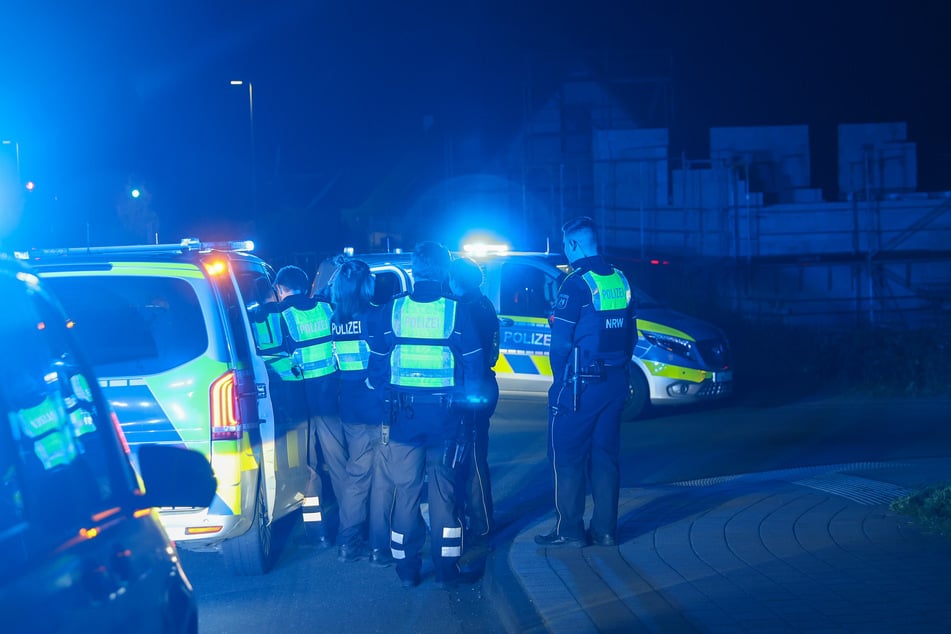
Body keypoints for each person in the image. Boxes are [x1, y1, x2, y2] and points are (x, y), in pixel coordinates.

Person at [369, 241, 484, 589]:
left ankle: (406, 571)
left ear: (414, 271)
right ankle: (448, 571)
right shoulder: (457, 311)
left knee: (405, 494)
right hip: (447, 419)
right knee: (444, 494)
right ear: (445, 271)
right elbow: (475, 365)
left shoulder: (392, 311)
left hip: (402, 420)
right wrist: (468, 404)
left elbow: (376, 372)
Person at [535, 216, 636, 548]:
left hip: (580, 385)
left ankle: (570, 531)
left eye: (566, 244)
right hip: (616, 382)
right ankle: (606, 531)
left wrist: (559, 385)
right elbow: (630, 337)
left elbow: (561, 344)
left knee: (566, 455)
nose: (565, 250)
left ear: (575, 244)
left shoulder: (576, 284)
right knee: (606, 457)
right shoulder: (620, 280)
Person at [324, 257, 391, 565]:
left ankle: (348, 542)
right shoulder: (375, 316)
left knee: (356, 473)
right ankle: (380, 547)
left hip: (349, 404)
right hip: (376, 404)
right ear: (366, 284)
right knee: (382, 475)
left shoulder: (335, 318)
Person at [273, 265, 339, 547]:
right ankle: (353, 527)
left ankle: (318, 532)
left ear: (280, 289)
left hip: (300, 400)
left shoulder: (280, 316)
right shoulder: (326, 308)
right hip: (331, 394)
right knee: (340, 461)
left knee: (309, 466)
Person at [448, 255, 499, 576]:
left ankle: (480, 525)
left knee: (473, 457)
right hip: (484, 384)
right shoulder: (485, 304)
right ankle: (477, 520)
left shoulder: (462, 308)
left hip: (472, 387)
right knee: (475, 454)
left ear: (456, 280)